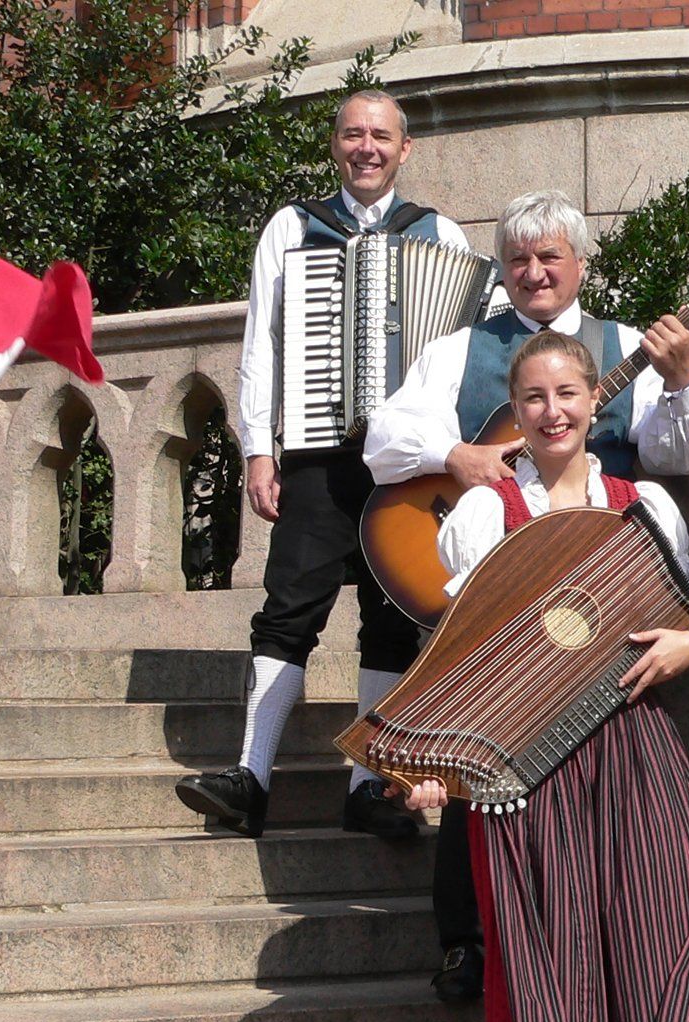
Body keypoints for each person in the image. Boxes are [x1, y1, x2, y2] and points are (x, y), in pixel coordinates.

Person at [401, 330, 689, 1022]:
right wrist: (427, 765)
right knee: (547, 946)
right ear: (516, 411)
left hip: (632, 744)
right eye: (536, 397)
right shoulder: (485, 511)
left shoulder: (643, 503)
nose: (553, 411)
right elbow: (460, 653)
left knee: (642, 934)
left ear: (595, 401)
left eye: (568, 394)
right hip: (524, 759)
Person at [365, 189, 689, 1004]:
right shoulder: (459, 350)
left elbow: (677, 451)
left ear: (580, 263)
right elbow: (381, 443)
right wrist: (459, 456)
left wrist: (683, 381)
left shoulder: (625, 344)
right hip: (504, 592)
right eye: (518, 259)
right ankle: (467, 942)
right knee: (480, 743)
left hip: (602, 613)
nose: (534, 272)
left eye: (550, 256)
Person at [174, 90, 470, 841]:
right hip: (319, 454)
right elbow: (263, 347)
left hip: (408, 466)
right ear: (335, 145)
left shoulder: (439, 233)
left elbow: (462, 350)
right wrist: (258, 449)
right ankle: (250, 778)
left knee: (391, 617)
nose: (366, 147)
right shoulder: (293, 226)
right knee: (289, 608)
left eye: (381, 136)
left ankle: (368, 787)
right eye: (352, 134)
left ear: (405, 149)